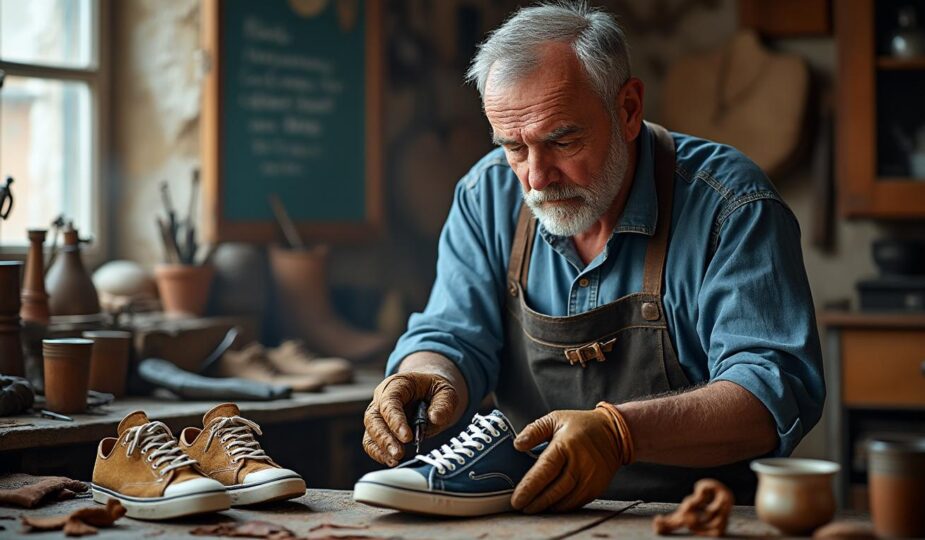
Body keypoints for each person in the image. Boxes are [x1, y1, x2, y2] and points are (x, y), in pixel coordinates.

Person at [362, 1, 824, 512]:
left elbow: (770, 390)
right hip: (529, 514)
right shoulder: (486, 195)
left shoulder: (728, 205)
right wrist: (429, 374)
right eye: (514, 147)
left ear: (627, 110)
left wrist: (619, 432)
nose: (536, 179)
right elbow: (451, 333)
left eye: (561, 140)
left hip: (694, 516)